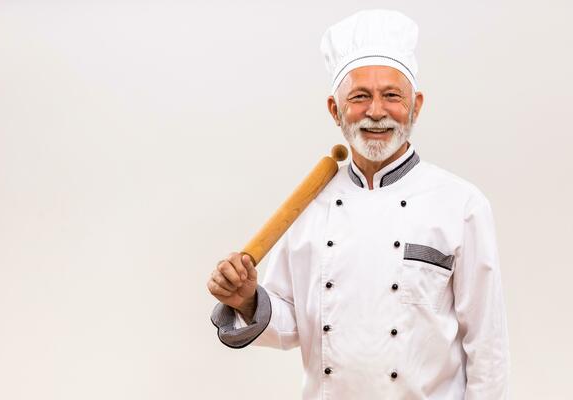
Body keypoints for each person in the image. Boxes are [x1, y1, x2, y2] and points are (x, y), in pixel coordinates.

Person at [207, 9, 509, 400]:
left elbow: (488, 349)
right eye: (360, 97)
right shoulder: (309, 209)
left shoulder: (462, 205)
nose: (377, 112)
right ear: (336, 109)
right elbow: (291, 324)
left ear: (416, 105)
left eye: (392, 96)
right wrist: (247, 299)